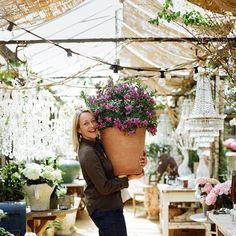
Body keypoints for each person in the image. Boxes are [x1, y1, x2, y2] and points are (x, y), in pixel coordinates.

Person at [72, 108, 146, 236]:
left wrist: (140, 160)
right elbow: (104, 187)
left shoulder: (98, 145)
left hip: (109, 205)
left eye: (93, 121)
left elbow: (119, 158)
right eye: (85, 123)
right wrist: (129, 178)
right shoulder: (88, 153)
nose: (92, 126)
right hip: (104, 208)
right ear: (78, 130)